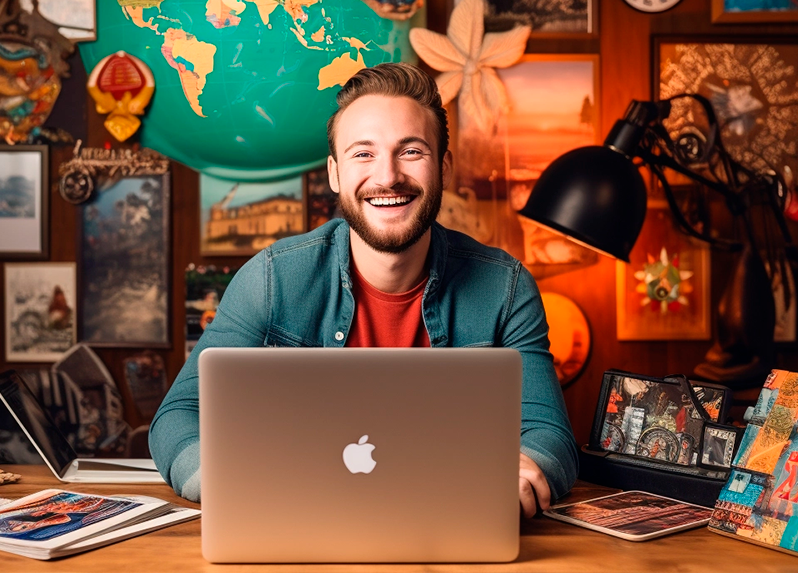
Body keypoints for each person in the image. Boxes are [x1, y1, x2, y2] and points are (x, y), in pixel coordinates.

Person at [149, 63, 578, 518]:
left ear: (444, 168)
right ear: (335, 173)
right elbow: (177, 417)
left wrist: (529, 467)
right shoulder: (271, 279)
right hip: (297, 524)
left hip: (449, 527)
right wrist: (225, 480)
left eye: (411, 151)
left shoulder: (505, 288)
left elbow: (549, 434)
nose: (388, 176)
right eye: (363, 154)